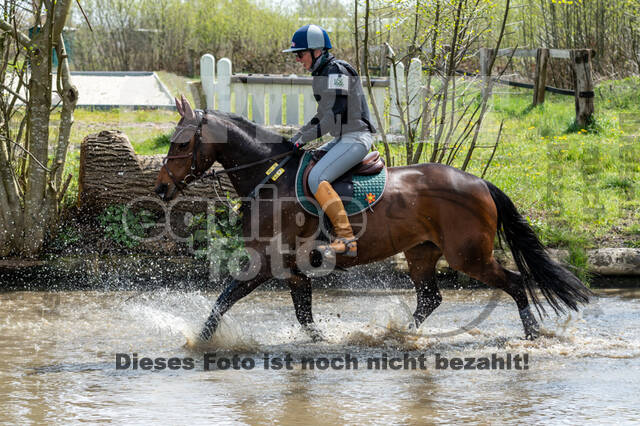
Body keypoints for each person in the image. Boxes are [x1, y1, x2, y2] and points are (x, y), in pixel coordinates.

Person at [283, 24, 376, 258]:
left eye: (300, 53)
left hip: (355, 137)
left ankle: (346, 238)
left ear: (317, 51)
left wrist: (301, 139)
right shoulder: (323, 73)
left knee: (317, 177)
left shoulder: (336, 72)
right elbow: (321, 116)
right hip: (343, 138)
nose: (297, 59)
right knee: (307, 164)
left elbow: (333, 115)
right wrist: (295, 140)